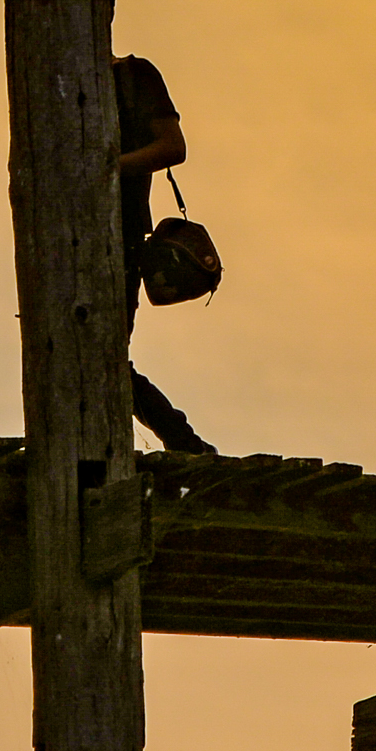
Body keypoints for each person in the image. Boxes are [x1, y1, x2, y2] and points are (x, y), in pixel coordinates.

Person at [114, 50, 216, 454]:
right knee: (79, 354)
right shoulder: (48, 78)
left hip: (117, 237)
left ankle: (184, 443)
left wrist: (108, 166)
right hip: (52, 242)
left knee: (104, 355)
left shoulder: (134, 75)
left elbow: (173, 147)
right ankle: (185, 443)